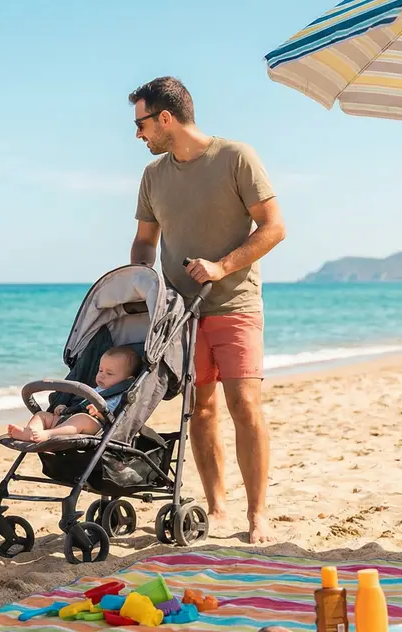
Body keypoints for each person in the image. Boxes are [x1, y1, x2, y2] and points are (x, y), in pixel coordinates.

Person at [127, 76, 285, 544]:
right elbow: (144, 242)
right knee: (200, 411)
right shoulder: (153, 176)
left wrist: (222, 266)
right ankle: (217, 508)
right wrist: (141, 284)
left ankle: (258, 514)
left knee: (245, 405)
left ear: (166, 119)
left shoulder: (236, 157)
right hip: (180, 314)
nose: (138, 134)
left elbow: (274, 227)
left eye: (141, 123)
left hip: (235, 304)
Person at [7, 346, 140, 442]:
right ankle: (29, 432)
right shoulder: (97, 389)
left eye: (109, 373)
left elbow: (118, 418)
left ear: (127, 380)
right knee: (42, 415)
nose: (102, 376)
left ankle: (47, 435)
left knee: (82, 418)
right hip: (69, 421)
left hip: (97, 426)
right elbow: (80, 405)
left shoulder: (121, 395)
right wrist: (65, 409)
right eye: (100, 370)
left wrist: (100, 413)